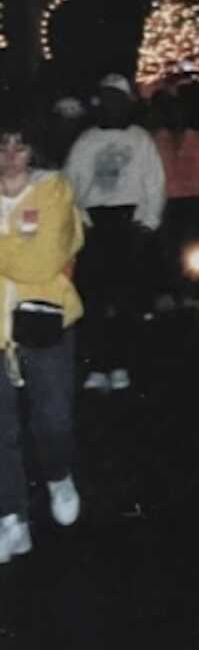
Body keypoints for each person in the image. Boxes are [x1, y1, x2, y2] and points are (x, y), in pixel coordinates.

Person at [0, 113, 84, 564]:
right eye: (1, 146)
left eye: (20, 146)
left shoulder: (53, 191)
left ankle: (58, 474)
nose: (10, 157)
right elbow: (25, 258)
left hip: (42, 319)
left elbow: (41, 263)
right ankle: (10, 518)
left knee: (51, 419)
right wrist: (15, 243)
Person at [65, 74, 166, 392]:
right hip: (96, 225)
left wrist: (147, 223)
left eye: (116, 100)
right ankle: (98, 366)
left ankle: (121, 364)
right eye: (105, 99)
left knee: (126, 301)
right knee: (93, 301)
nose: (111, 106)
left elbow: (155, 185)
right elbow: (70, 187)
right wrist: (82, 222)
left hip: (130, 224)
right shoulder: (86, 141)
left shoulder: (140, 140)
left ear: (126, 104)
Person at [150, 92, 199, 309]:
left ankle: (194, 291)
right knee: (169, 251)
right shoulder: (158, 139)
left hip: (192, 203)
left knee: (195, 251)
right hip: (166, 203)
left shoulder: (194, 138)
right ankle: (173, 292)